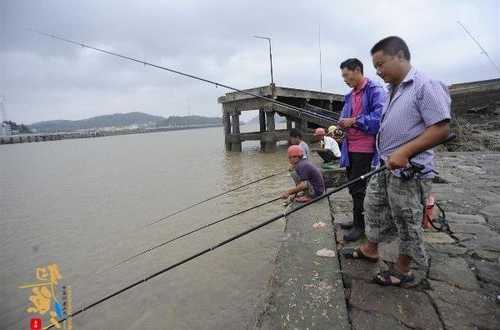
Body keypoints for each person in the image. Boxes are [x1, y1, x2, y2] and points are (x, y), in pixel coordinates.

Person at [343, 36, 451, 287]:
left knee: (406, 220)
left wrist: (405, 152)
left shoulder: (425, 85)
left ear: (400, 56)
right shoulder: (392, 90)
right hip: (384, 165)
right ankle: (371, 249)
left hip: (409, 171)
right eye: (376, 67)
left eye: (381, 64)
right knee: (373, 207)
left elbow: (441, 128)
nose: (378, 72)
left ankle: (404, 270)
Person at [338, 58, 386, 241]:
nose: (344, 79)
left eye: (346, 75)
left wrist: (354, 121)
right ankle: (357, 220)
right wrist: (341, 125)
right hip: (349, 147)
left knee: (359, 188)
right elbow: (344, 117)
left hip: (365, 149)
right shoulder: (349, 96)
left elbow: (380, 117)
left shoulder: (375, 90)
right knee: (353, 186)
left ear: (357, 70)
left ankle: (361, 227)